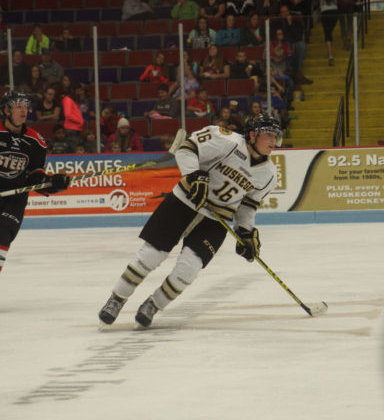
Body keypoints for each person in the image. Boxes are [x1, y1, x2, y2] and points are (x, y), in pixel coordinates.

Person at [98, 114, 282, 327]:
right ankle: (117, 298)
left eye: (276, 135)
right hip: (184, 201)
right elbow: (187, 149)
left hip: (216, 219)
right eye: (268, 134)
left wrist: (245, 232)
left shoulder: (269, 175)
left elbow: (248, 206)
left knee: (189, 268)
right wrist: (195, 176)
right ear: (252, 134)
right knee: (152, 254)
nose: (273, 140)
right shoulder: (226, 141)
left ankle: (154, 304)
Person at [0, 90, 70, 274]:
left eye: (25, 106)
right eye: (18, 106)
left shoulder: (36, 141)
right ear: (7, 111)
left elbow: (35, 177)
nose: (23, 110)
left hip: (14, 198)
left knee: (3, 232)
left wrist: (52, 184)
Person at [318, 0, 339, 67]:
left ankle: (330, 55)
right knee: (329, 32)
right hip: (334, 12)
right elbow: (339, 0)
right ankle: (329, 51)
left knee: (327, 33)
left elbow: (317, 4)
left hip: (325, 13)